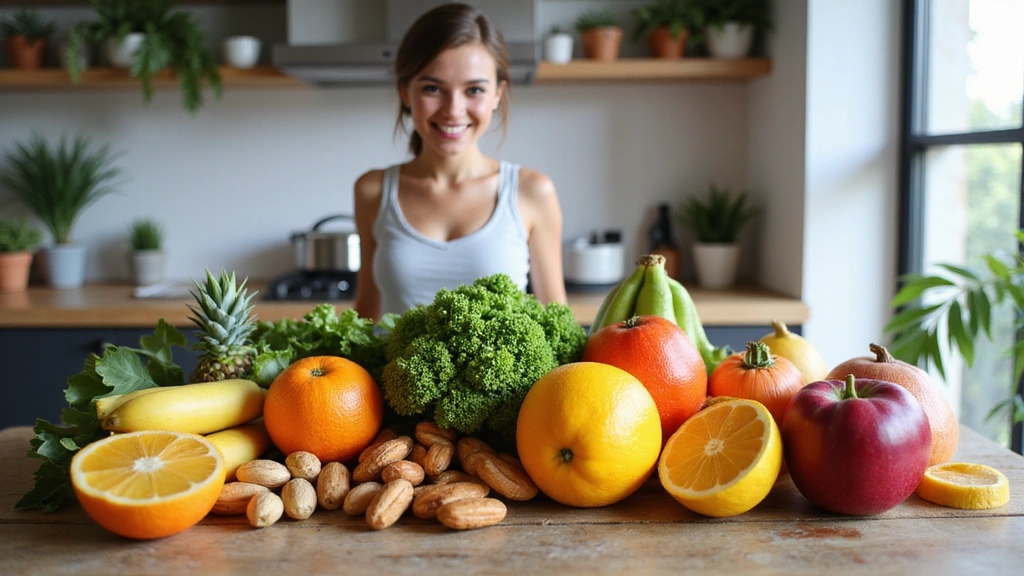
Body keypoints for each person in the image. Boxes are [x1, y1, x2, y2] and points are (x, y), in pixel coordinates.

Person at [353, 2, 567, 320]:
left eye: (474, 90)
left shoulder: (532, 192)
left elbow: (558, 325)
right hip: (391, 371)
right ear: (405, 92)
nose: (453, 109)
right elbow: (365, 317)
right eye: (432, 88)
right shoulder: (373, 190)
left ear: (497, 93)